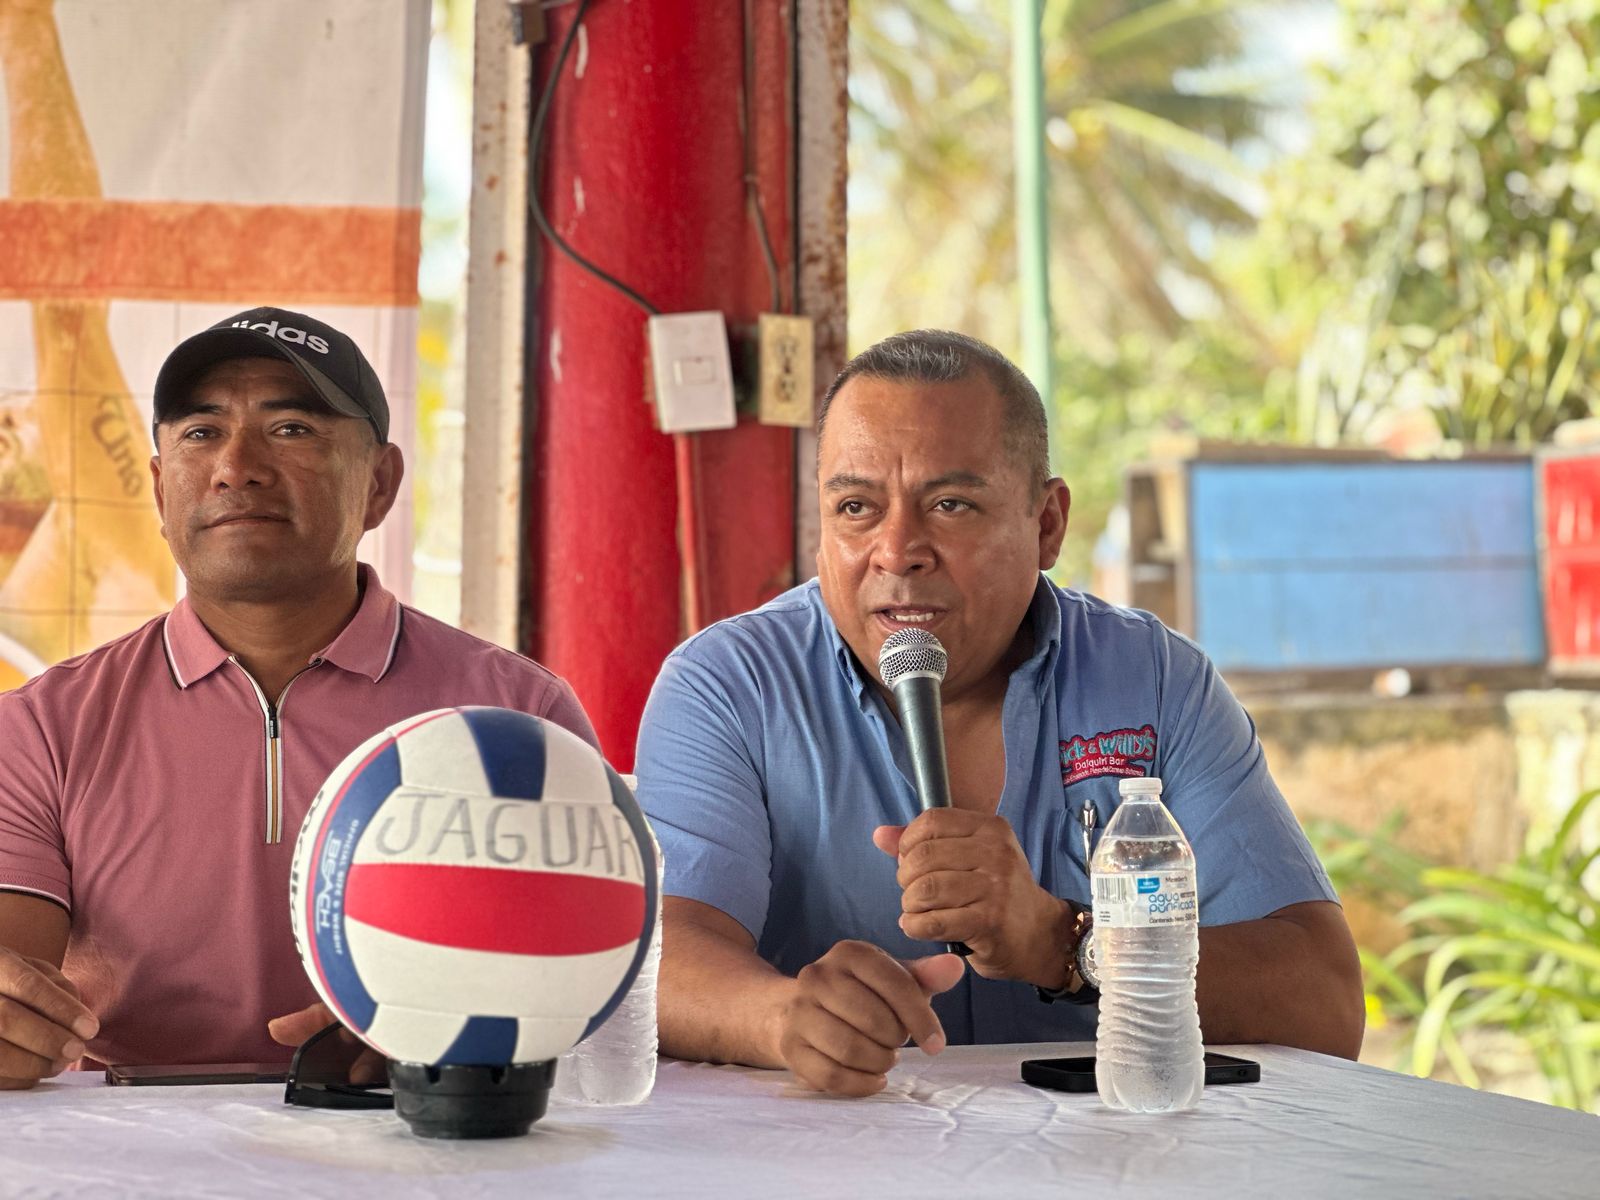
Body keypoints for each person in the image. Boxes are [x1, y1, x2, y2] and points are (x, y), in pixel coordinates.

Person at [636, 329, 1364, 1098]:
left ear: (1047, 524)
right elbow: (658, 959)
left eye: (950, 505)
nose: (897, 551)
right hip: (843, 1143)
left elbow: (1324, 1001)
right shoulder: (730, 686)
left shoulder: (1153, 682)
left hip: (1109, 1148)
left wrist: (1062, 941)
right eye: (856, 508)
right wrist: (786, 1019)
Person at [0, 308, 599, 1087]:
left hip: (422, 1126)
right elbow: (16, 978)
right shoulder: (42, 730)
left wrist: (462, 1023)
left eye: (291, 429)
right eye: (201, 433)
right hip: (128, 1135)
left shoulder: (516, 716)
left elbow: (589, 971)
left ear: (379, 484)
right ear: (158, 486)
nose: (236, 467)